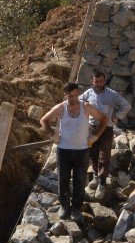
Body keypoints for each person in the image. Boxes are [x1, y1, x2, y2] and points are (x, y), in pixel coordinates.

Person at [40, 82, 108, 221]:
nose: (74, 98)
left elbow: (104, 119)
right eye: (70, 96)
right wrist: (53, 135)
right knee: (63, 179)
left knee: (80, 180)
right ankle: (64, 206)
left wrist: (96, 136)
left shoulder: (85, 106)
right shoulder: (61, 108)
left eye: (76, 95)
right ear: (65, 95)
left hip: (82, 151)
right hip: (63, 150)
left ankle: (76, 207)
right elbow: (44, 120)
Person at [80, 70, 131, 199]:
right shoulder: (88, 93)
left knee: (104, 155)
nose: (98, 84)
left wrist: (116, 117)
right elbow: (79, 103)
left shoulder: (112, 95)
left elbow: (126, 105)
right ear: (92, 80)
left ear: (105, 81)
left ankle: (102, 183)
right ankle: (96, 177)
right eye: (96, 81)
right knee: (93, 153)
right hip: (91, 128)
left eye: (101, 81)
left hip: (106, 129)